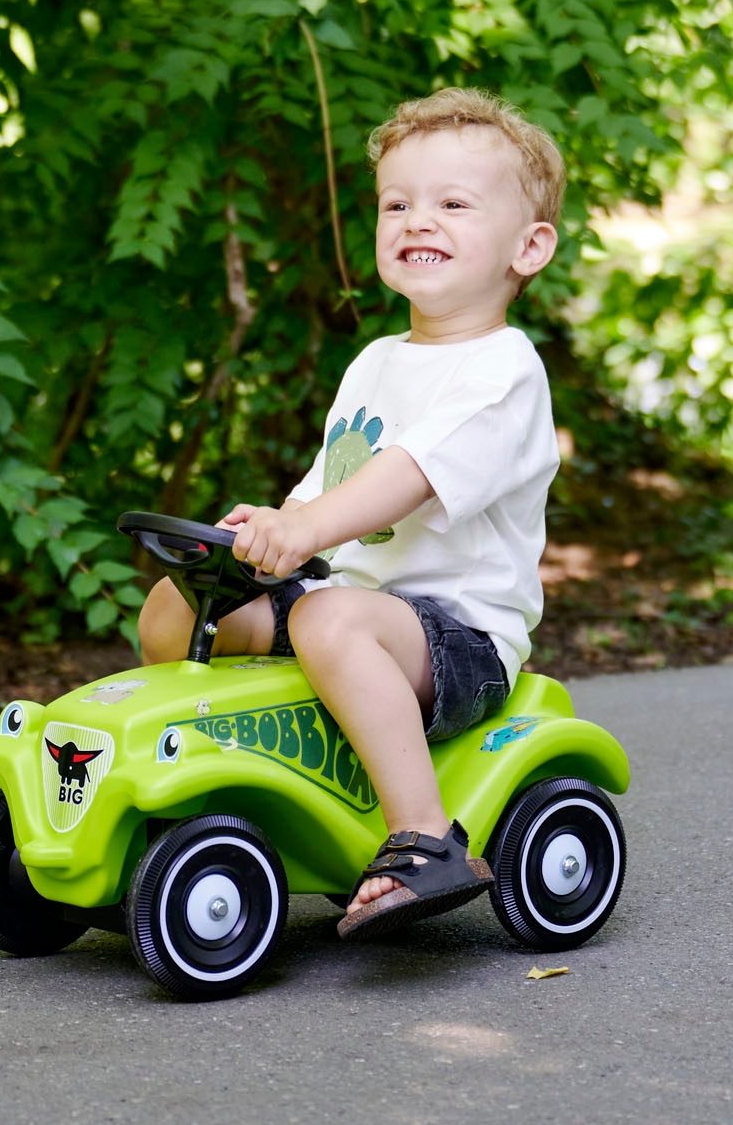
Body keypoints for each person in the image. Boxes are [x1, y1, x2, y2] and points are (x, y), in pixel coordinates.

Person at [138, 87, 563, 937]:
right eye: (396, 204)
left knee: (330, 621)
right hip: (347, 607)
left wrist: (305, 533)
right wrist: (266, 533)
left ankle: (424, 834)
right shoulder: (375, 361)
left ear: (528, 247)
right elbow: (335, 481)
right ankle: (203, 781)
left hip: (456, 637)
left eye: (451, 204)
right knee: (180, 603)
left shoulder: (502, 371)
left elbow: (404, 477)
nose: (417, 221)